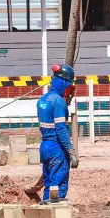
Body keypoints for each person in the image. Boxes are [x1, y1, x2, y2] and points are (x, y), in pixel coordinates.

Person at [36, 64, 78, 202]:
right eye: (69, 86)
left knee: (49, 185)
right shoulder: (59, 102)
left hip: (44, 147)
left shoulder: (42, 100)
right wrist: (71, 151)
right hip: (56, 148)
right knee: (58, 186)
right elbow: (61, 129)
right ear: (64, 83)